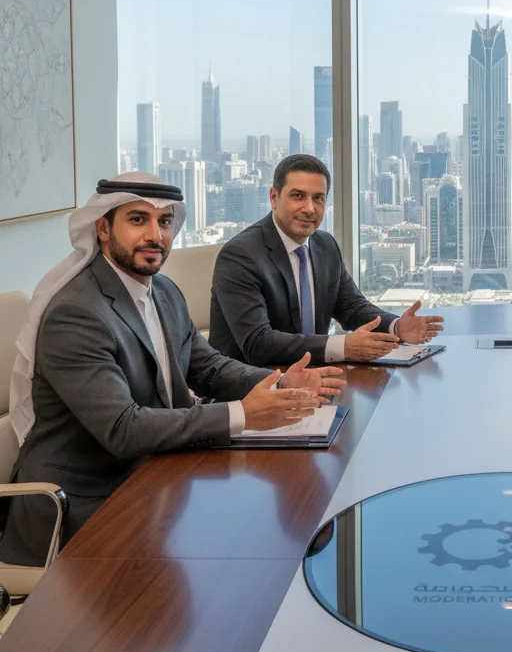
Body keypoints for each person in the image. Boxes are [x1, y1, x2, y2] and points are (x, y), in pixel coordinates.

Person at [0, 174, 345, 566]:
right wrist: (244, 414)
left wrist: (279, 383)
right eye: (137, 220)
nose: (154, 235)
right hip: (83, 503)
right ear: (102, 228)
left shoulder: (162, 291)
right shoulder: (77, 314)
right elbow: (123, 429)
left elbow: (208, 368)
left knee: (265, 536)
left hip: (152, 476)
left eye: (164, 222)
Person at [209, 154, 443, 367]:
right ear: (273, 197)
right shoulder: (240, 256)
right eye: (297, 196)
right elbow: (258, 344)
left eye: (318, 198)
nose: (309, 208)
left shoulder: (325, 245)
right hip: (252, 390)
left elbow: (351, 307)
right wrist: (343, 346)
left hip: (314, 379)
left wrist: (396, 327)